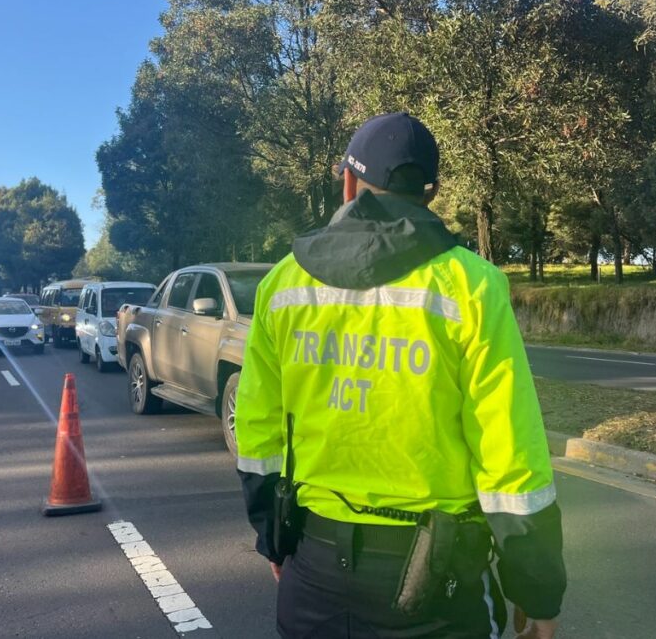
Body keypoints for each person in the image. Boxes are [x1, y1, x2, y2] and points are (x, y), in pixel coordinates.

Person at [235, 112, 565, 639]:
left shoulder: (283, 284)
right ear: (429, 194)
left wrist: (275, 539)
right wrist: (536, 591)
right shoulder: (471, 286)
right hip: (436, 583)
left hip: (314, 570)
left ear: (347, 180)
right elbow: (510, 459)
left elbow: (258, 435)